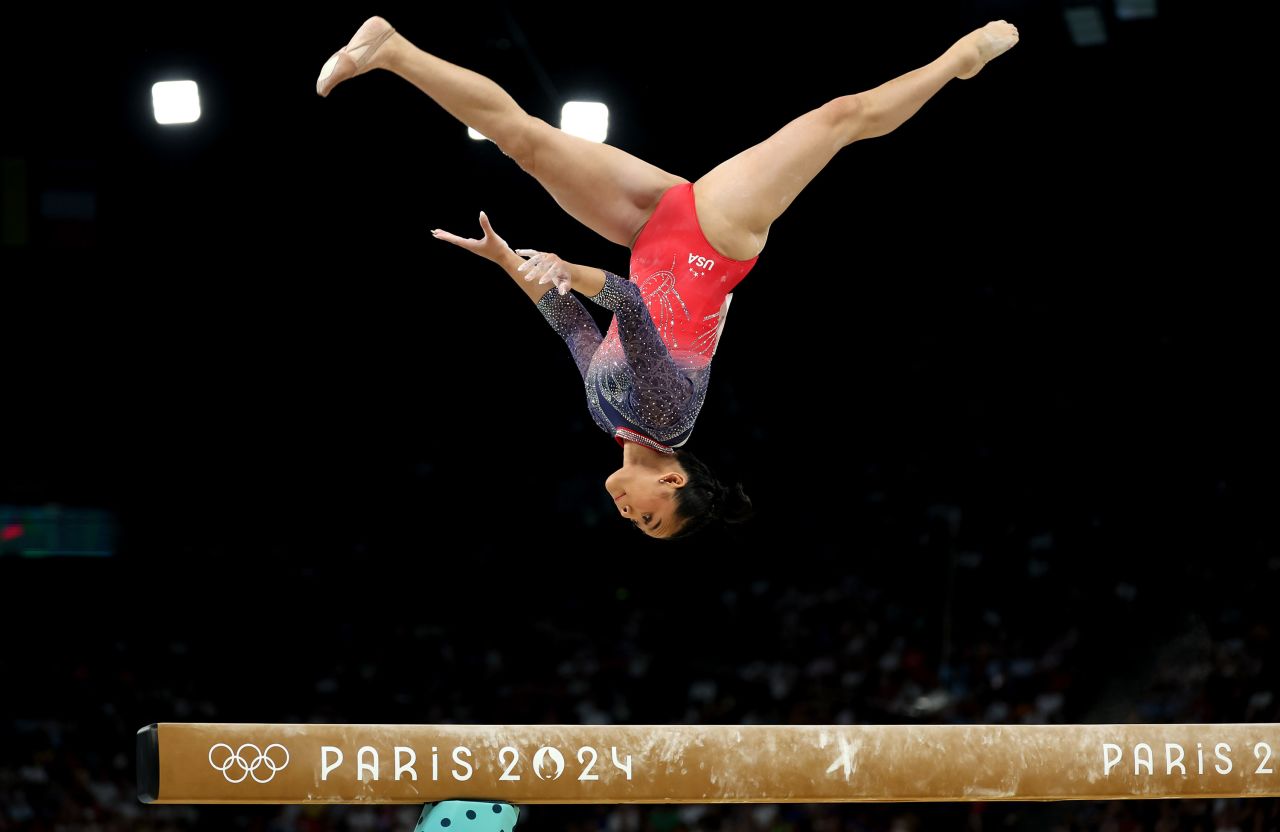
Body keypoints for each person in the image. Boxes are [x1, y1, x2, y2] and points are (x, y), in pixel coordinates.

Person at [316, 15, 1019, 538]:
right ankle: (956, 61)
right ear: (674, 480)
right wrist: (568, 267)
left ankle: (391, 50)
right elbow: (622, 300)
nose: (631, 518)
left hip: (651, 234)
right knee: (840, 118)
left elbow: (572, 323)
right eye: (651, 521)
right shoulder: (666, 417)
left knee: (524, 141)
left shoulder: (608, 415)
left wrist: (506, 260)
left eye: (636, 526)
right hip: (716, 236)